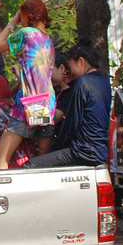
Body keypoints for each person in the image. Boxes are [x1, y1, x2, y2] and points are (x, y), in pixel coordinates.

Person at [0, 0, 56, 169]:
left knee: (0, 161)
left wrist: (12, 23)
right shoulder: (48, 39)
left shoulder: (26, 34)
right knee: (43, 162)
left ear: (27, 15)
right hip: (47, 104)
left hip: (29, 105)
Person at [24, 39, 111, 169]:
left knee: (30, 166)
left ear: (81, 61)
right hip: (99, 150)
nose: (67, 73)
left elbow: (71, 123)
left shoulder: (82, 83)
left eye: (69, 68)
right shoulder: (104, 82)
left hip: (82, 151)